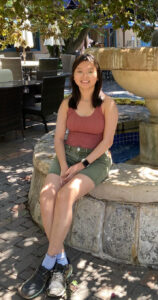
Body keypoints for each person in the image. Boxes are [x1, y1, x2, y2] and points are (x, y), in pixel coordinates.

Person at [18, 53, 118, 299]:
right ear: (73, 75)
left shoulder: (108, 104)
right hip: (67, 157)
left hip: (95, 160)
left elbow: (107, 142)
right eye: (80, 71)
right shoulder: (67, 103)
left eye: (90, 71)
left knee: (66, 194)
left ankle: (47, 265)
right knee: (46, 194)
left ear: (97, 75)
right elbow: (58, 138)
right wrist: (64, 165)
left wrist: (82, 164)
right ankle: (61, 262)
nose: (85, 76)